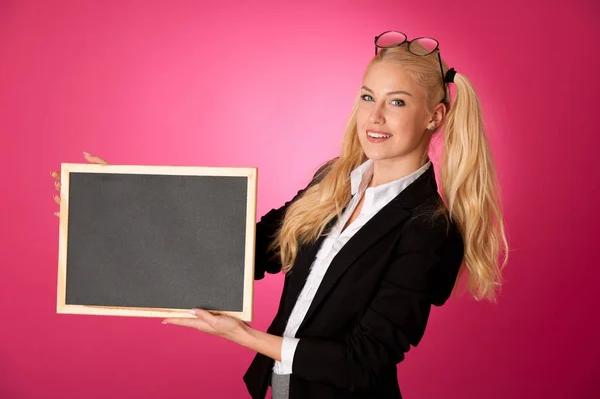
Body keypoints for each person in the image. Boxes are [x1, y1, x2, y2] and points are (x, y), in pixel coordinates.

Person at [50, 31, 508, 399]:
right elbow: (244, 253)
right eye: (369, 97)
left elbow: (360, 360)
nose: (375, 116)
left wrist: (242, 336)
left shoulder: (429, 229)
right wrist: (124, 205)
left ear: (435, 115)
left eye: (397, 102)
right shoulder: (334, 180)